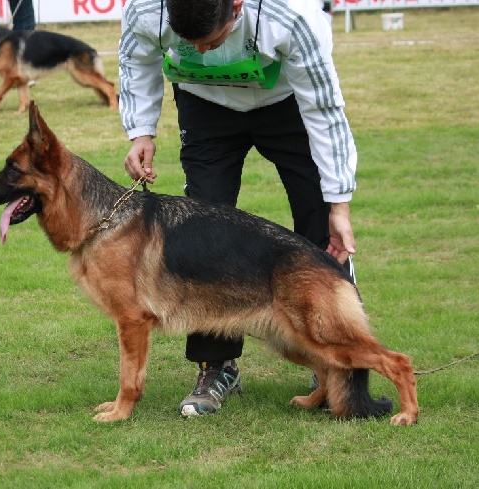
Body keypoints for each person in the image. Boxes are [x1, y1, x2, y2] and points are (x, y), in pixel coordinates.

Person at [119, 0, 385, 418]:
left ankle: (336, 362)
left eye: (213, 40)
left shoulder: (291, 17)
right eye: (191, 45)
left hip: (289, 103)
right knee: (202, 239)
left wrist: (339, 205)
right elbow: (136, 60)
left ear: (238, 8)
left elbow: (326, 110)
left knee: (320, 229)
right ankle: (217, 367)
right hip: (204, 105)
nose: (204, 52)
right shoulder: (147, 10)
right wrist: (141, 131)